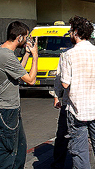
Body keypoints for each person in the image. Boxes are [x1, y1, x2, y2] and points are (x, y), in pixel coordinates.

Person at [60, 16, 95, 169]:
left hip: (77, 110)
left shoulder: (68, 55)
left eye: (71, 30)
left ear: (76, 32)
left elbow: (65, 83)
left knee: (79, 150)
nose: (70, 34)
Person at [0, 21, 38, 168]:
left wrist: (27, 54)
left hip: (10, 110)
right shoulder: (6, 56)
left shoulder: (4, 53)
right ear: (20, 37)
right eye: (26, 37)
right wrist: (35, 56)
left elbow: (17, 72)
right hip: (7, 111)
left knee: (20, 149)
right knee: (8, 152)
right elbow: (31, 80)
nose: (27, 40)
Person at [49, 52, 70, 169]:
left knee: (62, 135)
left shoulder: (66, 55)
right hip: (89, 106)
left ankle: (58, 163)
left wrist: (57, 96)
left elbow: (60, 78)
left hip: (69, 104)